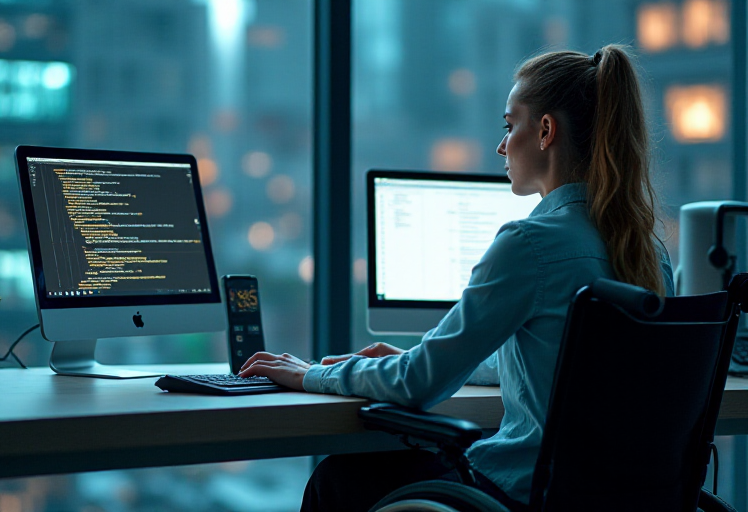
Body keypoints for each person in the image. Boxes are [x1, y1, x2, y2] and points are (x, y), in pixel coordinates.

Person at [239, 44, 675, 511]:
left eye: (510, 126)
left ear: (546, 131)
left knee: (338, 479)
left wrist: (313, 374)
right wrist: (428, 356)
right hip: (617, 501)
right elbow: (568, 363)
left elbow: (416, 385)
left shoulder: (530, 243)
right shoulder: (649, 251)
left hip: (524, 493)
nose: (501, 146)